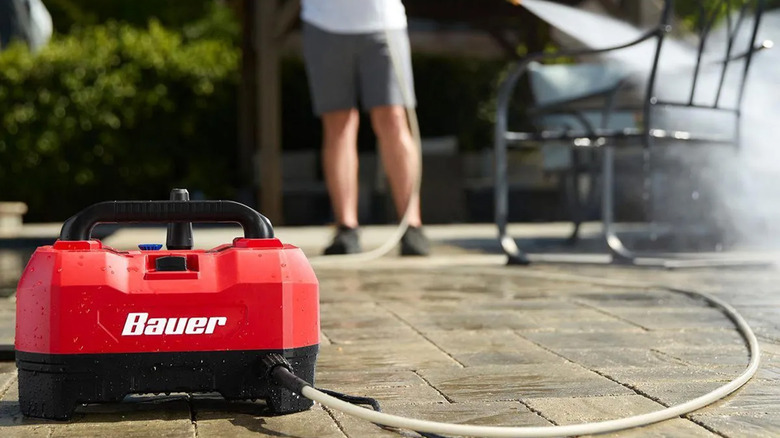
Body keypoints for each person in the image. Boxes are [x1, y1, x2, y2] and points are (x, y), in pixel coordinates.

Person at [301, 0, 430, 256]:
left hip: (383, 21)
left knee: (393, 118)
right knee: (339, 123)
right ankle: (346, 226)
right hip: (323, 21)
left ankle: (412, 224)